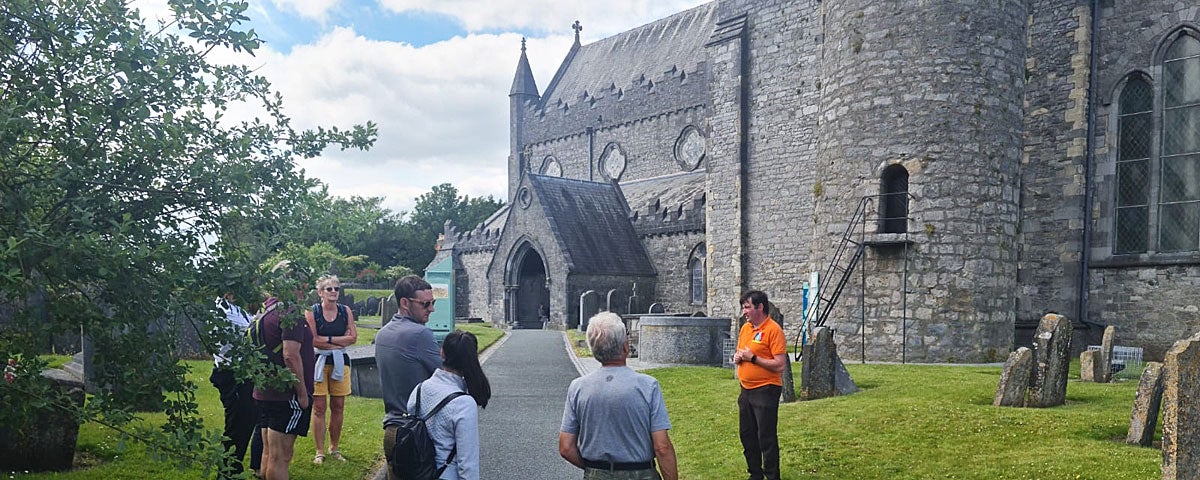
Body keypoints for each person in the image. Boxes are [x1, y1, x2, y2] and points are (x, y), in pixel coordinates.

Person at [559, 312, 678, 480]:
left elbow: (565, 447)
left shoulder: (578, 388)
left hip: (597, 473)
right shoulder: (647, 386)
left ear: (593, 349)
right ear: (625, 346)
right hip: (640, 473)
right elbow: (662, 447)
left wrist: (595, 470)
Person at [377, 274, 442, 479]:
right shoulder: (420, 334)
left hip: (392, 431)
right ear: (405, 303)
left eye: (433, 302)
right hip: (417, 434)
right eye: (425, 304)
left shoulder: (383, 334)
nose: (431, 308)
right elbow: (446, 377)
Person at [406, 330, 492, 480]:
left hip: (417, 473)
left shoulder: (419, 389)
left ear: (442, 353)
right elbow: (467, 464)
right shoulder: (464, 404)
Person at [253, 289, 315, 480]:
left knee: (268, 452)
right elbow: (290, 355)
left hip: (264, 390)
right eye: (304, 284)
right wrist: (302, 393)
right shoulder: (290, 314)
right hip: (286, 395)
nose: (307, 290)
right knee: (281, 457)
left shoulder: (265, 311)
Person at [731, 290, 787, 480]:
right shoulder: (746, 328)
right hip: (745, 389)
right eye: (743, 308)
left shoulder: (773, 330)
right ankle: (755, 474)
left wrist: (754, 358)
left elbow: (780, 365)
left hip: (766, 389)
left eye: (747, 307)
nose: (744, 312)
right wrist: (738, 358)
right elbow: (741, 352)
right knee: (747, 435)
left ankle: (772, 476)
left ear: (760, 307)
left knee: (766, 437)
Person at [305, 275, 358, 465]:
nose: (334, 291)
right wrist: (336, 340)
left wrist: (326, 339)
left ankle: (334, 447)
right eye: (329, 289)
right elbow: (313, 340)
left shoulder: (345, 311)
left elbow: (353, 337)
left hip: (339, 361)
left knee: (338, 406)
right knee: (319, 407)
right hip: (318, 362)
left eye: (336, 288)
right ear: (320, 293)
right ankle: (319, 451)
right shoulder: (313, 312)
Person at [210, 293, 260, 479]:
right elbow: (247, 332)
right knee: (236, 427)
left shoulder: (238, 308)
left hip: (244, 374)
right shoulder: (222, 309)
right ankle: (227, 473)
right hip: (232, 374)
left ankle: (233, 470)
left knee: (245, 424)